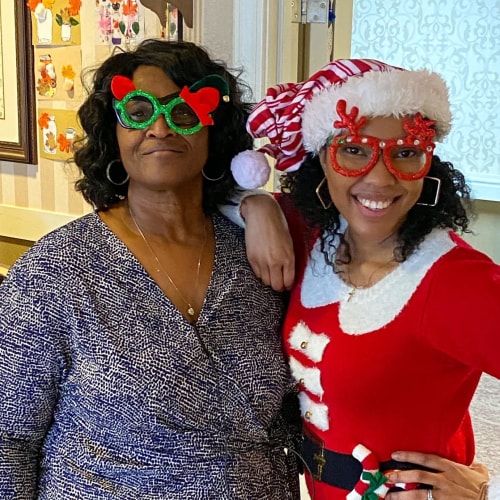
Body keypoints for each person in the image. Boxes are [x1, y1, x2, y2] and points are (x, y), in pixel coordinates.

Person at [0, 40, 301, 499]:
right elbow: (10, 440)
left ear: (212, 132)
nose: (160, 127)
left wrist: (259, 205)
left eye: (184, 112)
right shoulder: (54, 271)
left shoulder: (260, 255)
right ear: (113, 132)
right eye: (138, 110)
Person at [226, 58, 500, 499]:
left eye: (406, 153)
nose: (379, 178)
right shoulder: (311, 233)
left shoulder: (453, 280)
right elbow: (204, 197)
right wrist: (256, 207)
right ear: (321, 159)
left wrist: (484, 488)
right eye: (354, 150)